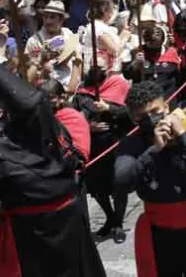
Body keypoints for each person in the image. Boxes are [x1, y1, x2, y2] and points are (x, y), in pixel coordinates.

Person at [0, 13, 106, 277]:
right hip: (27, 243)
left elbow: (76, 161)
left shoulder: (57, 137)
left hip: (71, 232)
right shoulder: (0, 153)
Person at [115, 80, 186, 277]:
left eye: (155, 111)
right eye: (142, 117)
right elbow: (122, 180)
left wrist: (184, 137)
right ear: (132, 118)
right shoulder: (132, 143)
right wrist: (154, 149)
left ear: (166, 107)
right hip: (161, 235)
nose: (151, 119)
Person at [73, 63, 132, 243]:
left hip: (116, 142)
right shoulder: (81, 92)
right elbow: (73, 117)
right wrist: (88, 126)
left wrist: (109, 109)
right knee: (98, 187)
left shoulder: (119, 85)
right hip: (93, 145)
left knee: (118, 184)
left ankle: (118, 224)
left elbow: (131, 112)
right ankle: (110, 218)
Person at [25, 0, 79, 87]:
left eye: (52, 17)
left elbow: (78, 60)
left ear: (61, 20)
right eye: (45, 17)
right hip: (45, 87)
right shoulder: (33, 41)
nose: (48, 21)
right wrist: (42, 64)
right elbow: (28, 71)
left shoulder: (69, 34)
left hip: (69, 84)